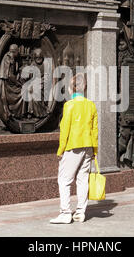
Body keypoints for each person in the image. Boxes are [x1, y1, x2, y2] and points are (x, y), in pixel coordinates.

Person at [50, 73, 98, 224]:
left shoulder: (69, 105)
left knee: (64, 179)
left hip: (73, 146)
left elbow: (65, 130)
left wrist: (60, 150)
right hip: (88, 146)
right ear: (84, 88)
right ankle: (80, 213)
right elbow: (94, 130)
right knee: (82, 179)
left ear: (72, 88)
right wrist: (94, 151)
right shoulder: (91, 105)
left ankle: (65, 213)